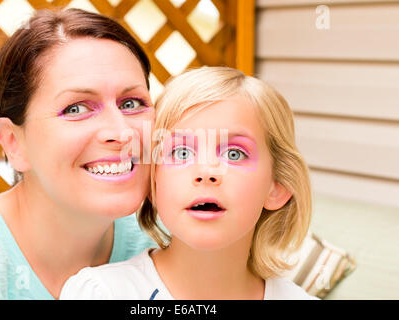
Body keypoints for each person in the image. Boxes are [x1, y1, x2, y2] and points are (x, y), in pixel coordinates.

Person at [0, 8, 158, 299]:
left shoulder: (167, 241)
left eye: (132, 103)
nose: (122, 131)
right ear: (13, 142)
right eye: (76, 108)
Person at [60, 66, 318, 300]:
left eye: (234, 154)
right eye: (181, 153)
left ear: (277, 187)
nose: (206, 173)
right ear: (153, 184)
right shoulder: (99, 293)